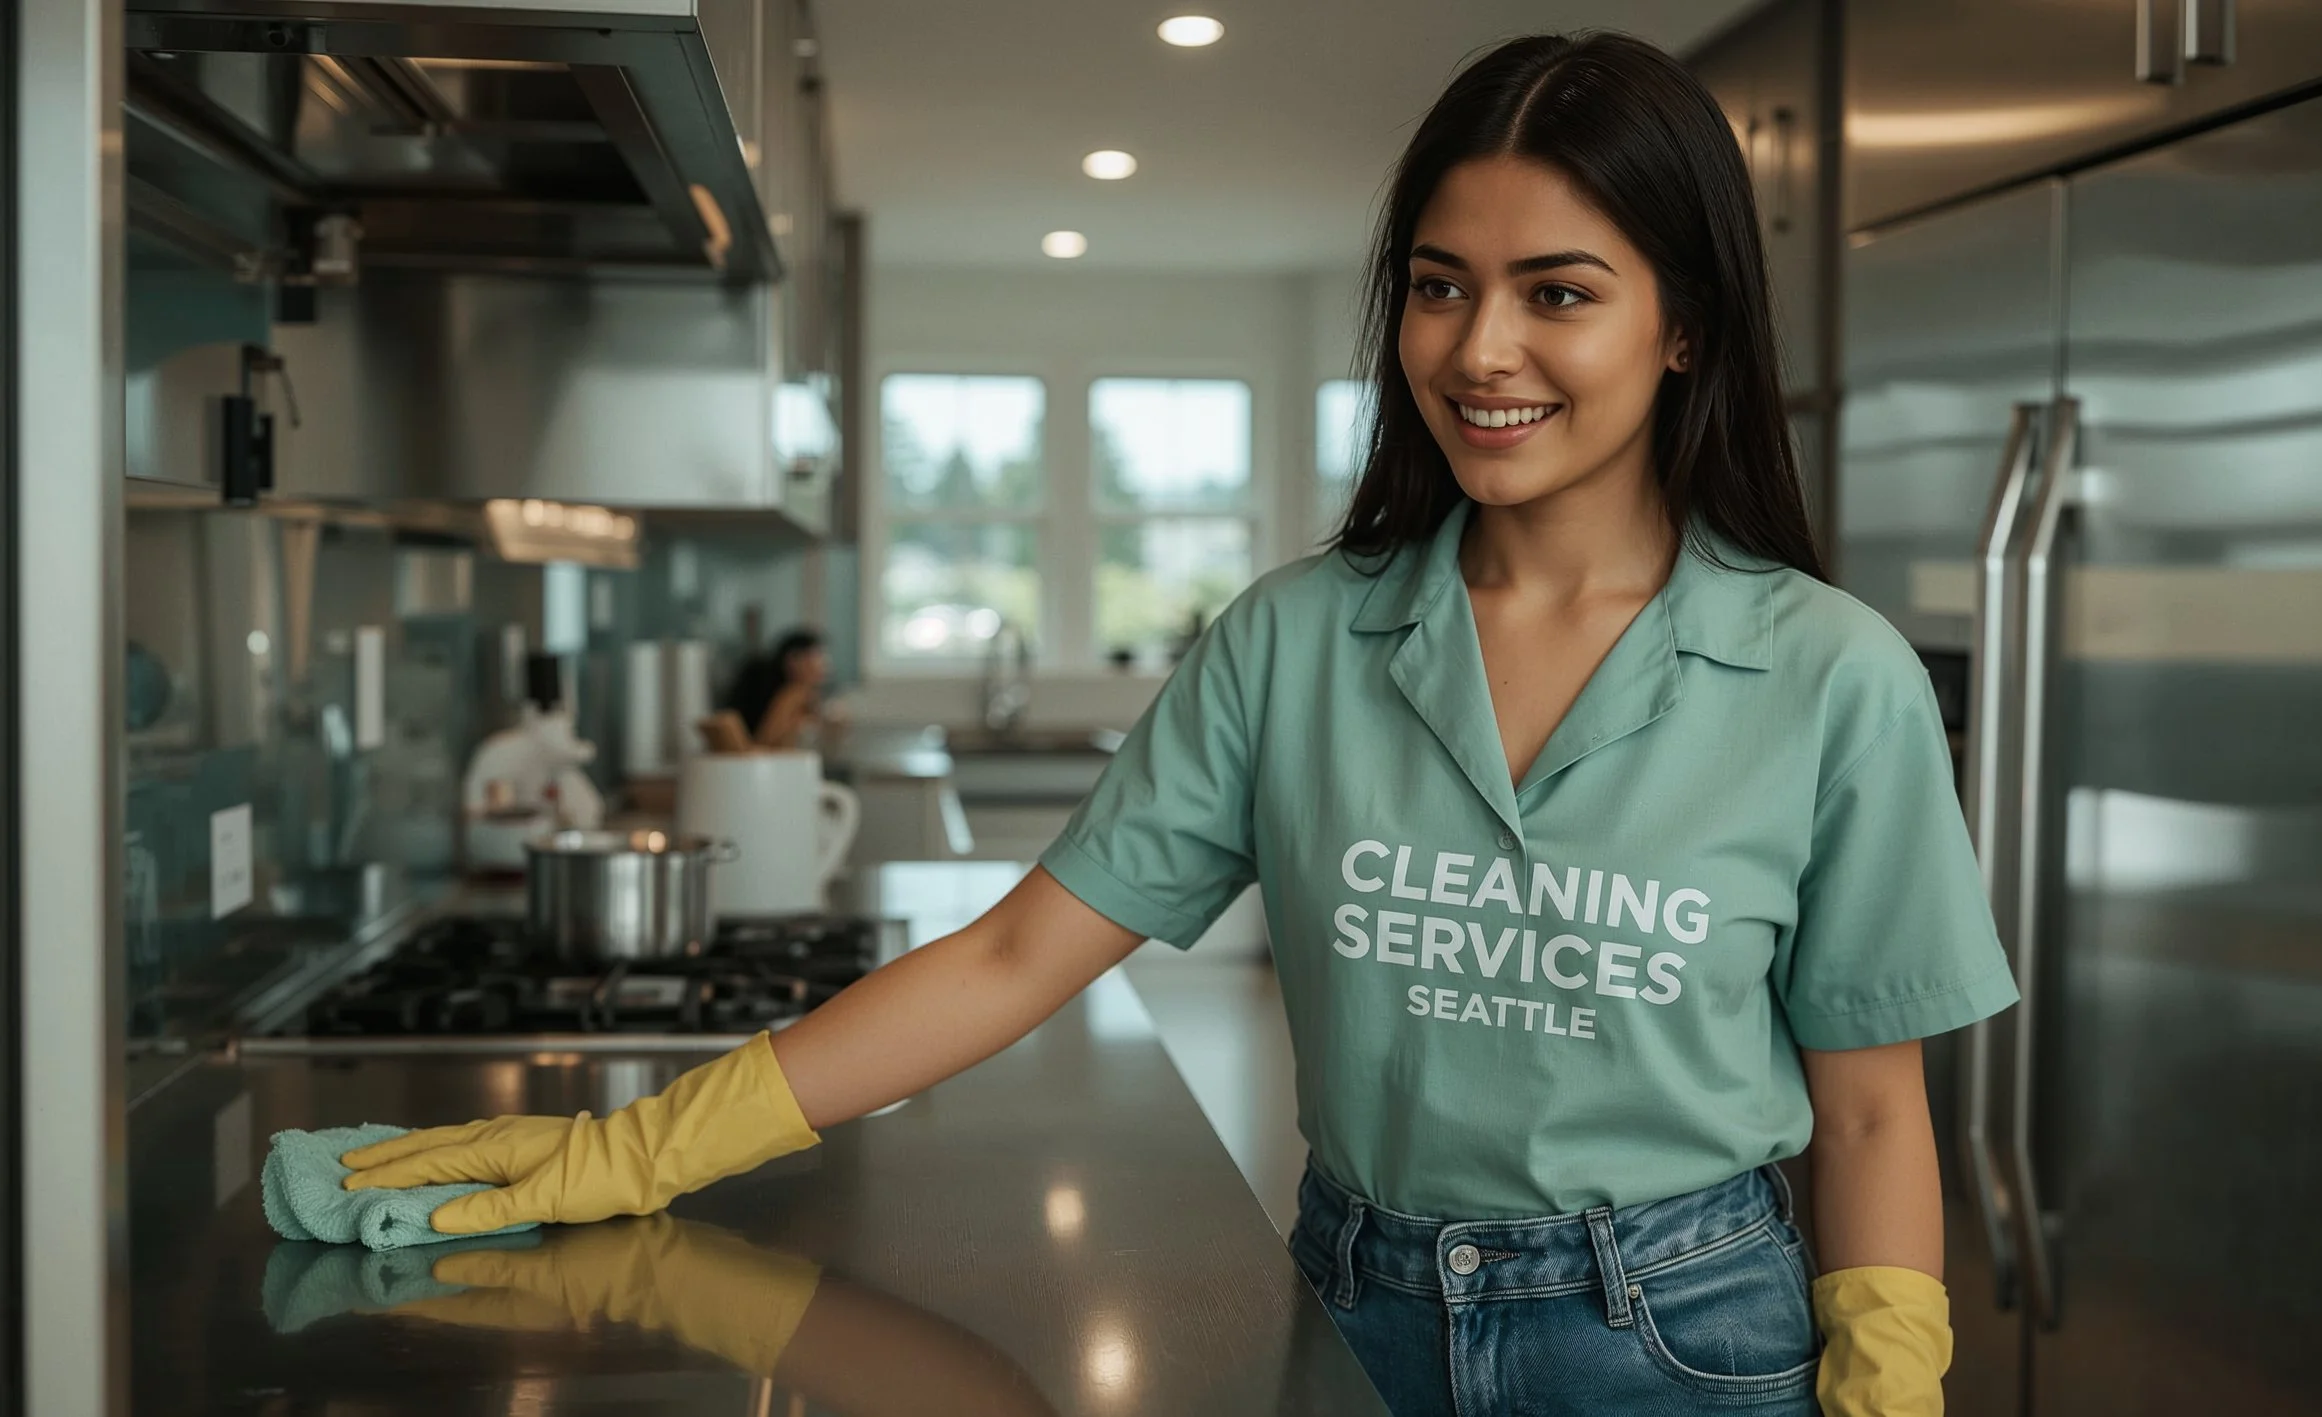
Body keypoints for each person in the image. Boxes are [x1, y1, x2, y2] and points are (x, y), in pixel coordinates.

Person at [341, 32, 2013, 1416]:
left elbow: (1871, 1111)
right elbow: (1012, 961)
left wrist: (1892, 1388)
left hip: (1681, 1337)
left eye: (1558, 292)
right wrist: (634, 1148)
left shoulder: (1825, 674)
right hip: (1350, 1309)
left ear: (1686, 323)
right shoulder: (1297, 639)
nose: (1480, 348)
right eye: (1441, 286)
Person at [724, 629, 834, 750]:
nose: (824, 664)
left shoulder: (805, 695)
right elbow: (765, 741)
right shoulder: (793, 694)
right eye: (817, 656)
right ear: (793, 661)